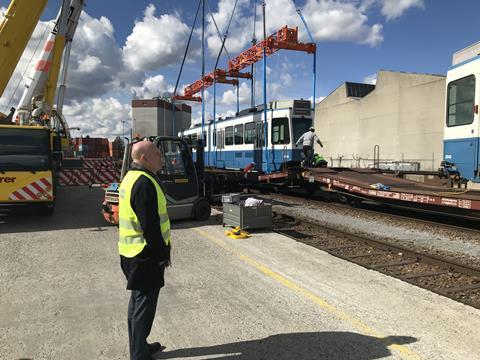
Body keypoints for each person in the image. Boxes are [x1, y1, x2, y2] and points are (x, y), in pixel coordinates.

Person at [118, 139, 172, 360]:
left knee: (137, 303)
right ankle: (139, 355)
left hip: (131, 252)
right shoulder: (144, 183)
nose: (162, 157)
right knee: (143, 307)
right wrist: (162, 255)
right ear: (144, 158)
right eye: (157, 153)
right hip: (145, 255)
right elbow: (149, 226)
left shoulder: (130, 178)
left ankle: (139, 346)